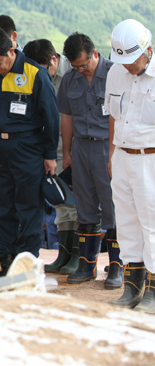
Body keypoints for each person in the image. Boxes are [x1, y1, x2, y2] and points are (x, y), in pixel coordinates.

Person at [0, 27, 59, 278]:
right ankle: (8, 261)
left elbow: (51, 117)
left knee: (28, 208)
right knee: (1, 209)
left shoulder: (35, 73)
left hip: (27, 148)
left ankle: (27, 265)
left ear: (11, 50)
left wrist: (49, 155)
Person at [58, 33, 119, 287]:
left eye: (84, 65)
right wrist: (68, 152)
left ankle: (117, 266)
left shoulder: (116, 75)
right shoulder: (70, 80)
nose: (81, 70)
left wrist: (115, 155)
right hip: (81, 149)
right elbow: (67, 118)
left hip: (107, 147)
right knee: (84, 207)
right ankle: (87, 265)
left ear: (95, 54)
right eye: (75, 66)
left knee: (113, 206)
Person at [105, 19, 155, 312]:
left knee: (152, 225)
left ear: (148, 50)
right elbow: (113, 115)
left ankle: (153, 291)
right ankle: (132, 288)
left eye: (132, 60)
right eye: (122, 60)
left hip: (151, 159)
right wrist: (113, 154)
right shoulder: (115, 73)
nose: (128, 66)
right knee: (126, 222)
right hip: (122, 157)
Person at [23, 39, 79, 275]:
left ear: (54, 60)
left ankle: (78, 255)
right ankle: (63, 254)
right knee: (61, 203)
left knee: (77, 204)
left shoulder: (73, 75)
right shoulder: (34, 75)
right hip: (51, 149)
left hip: (74, 149)